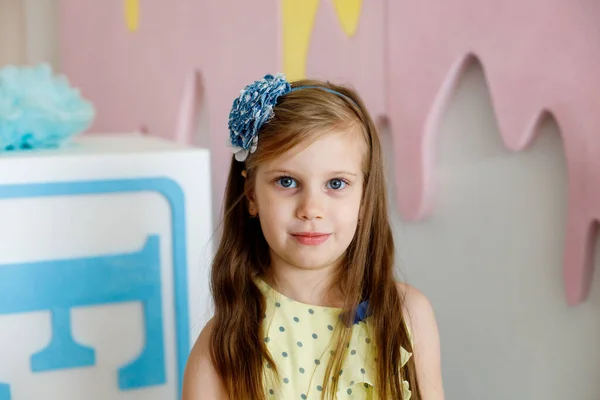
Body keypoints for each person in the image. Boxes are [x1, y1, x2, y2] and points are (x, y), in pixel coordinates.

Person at [182, 74, 444, 399]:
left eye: (336, 184)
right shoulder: (221, 348)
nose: (311, 209)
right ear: (251, 196)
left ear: (364, 198)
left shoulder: (407, 315)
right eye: (287, 182)